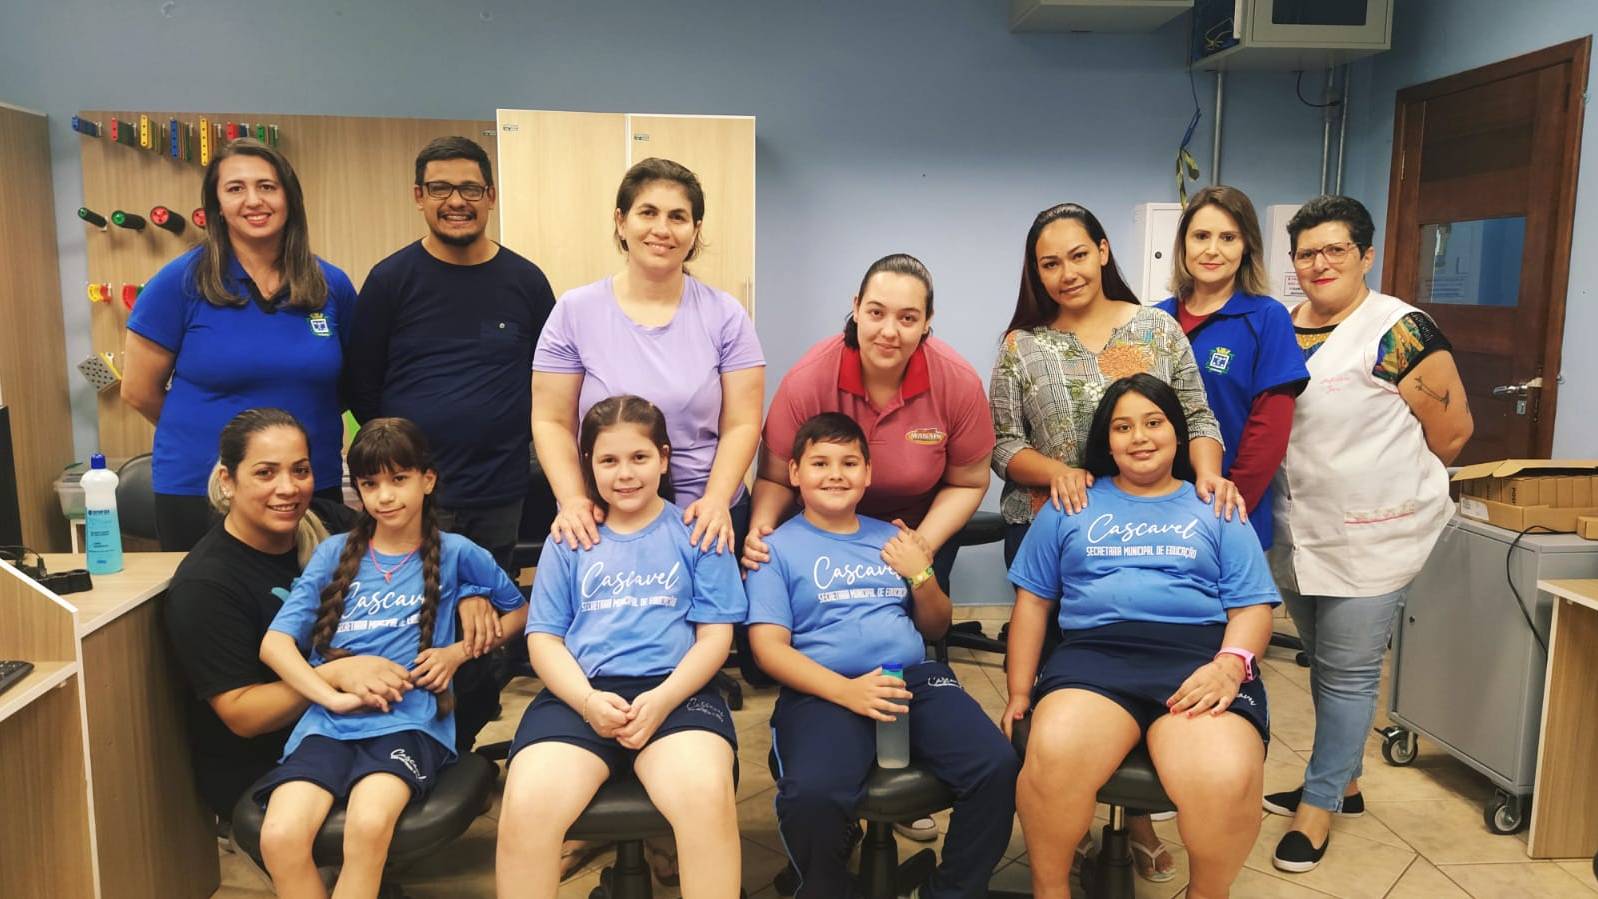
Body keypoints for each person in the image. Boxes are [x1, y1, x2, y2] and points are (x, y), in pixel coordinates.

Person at [989, 202, 1241, 878]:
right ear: (1035, 272)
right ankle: (1060, 829)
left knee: (1154, 682)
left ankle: (1137, 820)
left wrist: (1211, 480)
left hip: (1155, 531)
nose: (1066, 272)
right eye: (1049, 263)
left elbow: (1196, 415)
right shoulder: (1023, 345)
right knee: (1075, 696)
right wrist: (1061, 473)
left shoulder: (1157, 328)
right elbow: (1004, 444)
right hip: (1055, 529)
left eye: (1077, 254)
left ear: (1103, 250)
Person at [1003, 374, 1278, 899]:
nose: (1140, 437)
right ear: (1107, 441)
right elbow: (1033, 603)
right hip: (1094, 660)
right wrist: (1019, 692)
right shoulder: (1071, 503)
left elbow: (1251, 608)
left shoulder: (1215, 504)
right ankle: (1050, 890)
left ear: (1177, 432)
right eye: (1123, 426)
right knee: (1054, 752)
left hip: (1199, 658)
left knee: (1225, 774)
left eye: (1153, 422)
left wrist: (1230, 665)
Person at [1264, 195, 1473, 873]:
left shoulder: (1399, 329)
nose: (1319, 264)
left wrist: (1383, 487)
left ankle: (1319, 805)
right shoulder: (1280, 323)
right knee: (1325, 663)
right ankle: (1344, 780)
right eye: (1306, 253)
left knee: (1350, 674)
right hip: (1299, 528)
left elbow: (1453, 433)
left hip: (1375, 535)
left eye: (1335, 250)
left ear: (1365, 254)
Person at [746, 413, 1018, 899]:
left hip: (913, 679)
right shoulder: (774, 549)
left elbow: (935, 626)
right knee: (813, 795)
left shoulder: (894, 539)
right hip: (824, 688)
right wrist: (848, 692)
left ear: (868, 474)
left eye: (850, 462)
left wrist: (922, 574)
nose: (835, 473)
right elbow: (768, 650)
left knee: (995, 765)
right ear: (793, 473)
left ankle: (950, 890)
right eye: (820, 463)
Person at [346, 135, 557, 753]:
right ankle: (408, 748)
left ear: (490, 196)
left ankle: (457, 752)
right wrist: (396, 469)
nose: (456, 200)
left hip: (497, 490)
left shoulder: (525, 281)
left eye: (470, 188)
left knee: (483, 631)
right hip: (410, 498)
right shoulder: (391, 280)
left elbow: (549, 381)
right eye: (440, 188)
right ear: (419, 197)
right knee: (409, 626)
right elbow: (363, 383)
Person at [255, 418, 526, 899]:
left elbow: (522, 612)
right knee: (279, 837)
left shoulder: (459, 552)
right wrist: (329, 698)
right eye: (369, 484)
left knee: (368, 826)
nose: (384, 497)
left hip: (410, 724)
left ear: (427, 479)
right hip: (327, 727)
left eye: (398, 480)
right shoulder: (334, 553)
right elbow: (274, 644)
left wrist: (457, 653)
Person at [496, 396, 746, 899]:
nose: (625, 474)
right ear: (587, 464)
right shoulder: (570, 537)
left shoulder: (699, 532)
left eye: (639, 458)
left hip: (677, 692)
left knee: (703, 795)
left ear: (665, 459)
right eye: (608, 460)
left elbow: (715, 637)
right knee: (527, 803)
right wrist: (587, 702)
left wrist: (664, 699)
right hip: (580, 693)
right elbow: (543, 637)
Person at [166, 408, 430, 823]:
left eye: (301, 470)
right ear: (227, 481)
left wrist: (470, 593)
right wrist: (329, 676)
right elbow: (243, 715)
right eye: (265, 473)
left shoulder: (334, 524)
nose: (287, 489)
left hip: (361, 725)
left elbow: (425, 555)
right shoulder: (206, 585)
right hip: (271, 759)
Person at [123, 138, 358, 552]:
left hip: (308, 487)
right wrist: (221, 439)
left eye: (267, 186)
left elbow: (349, 382)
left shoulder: (330, 285)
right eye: (235, 189)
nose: (254, 200)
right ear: (216, 205)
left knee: (318, 611)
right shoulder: (179, 283)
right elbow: (138, 390)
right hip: (202, 488)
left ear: (289, 197)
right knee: (212, 611)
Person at [532, 157, 764, 557]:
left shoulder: (726, 315)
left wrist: (716, 501)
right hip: (603, 517)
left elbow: (743, 423)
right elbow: (551, 420)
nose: (662, 229)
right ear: (621, 222)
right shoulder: (575, 311)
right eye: (648, 213)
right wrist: (573, 501)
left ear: (695, 231)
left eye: (678, 216)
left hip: (701, 518)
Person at [743, 253, 992, 597]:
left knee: (907, 618)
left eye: (907, 318)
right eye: (876, 313)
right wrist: (762, 530)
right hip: (822, 526)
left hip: (912, 528)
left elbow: (968, 483)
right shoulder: (809, 379)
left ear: (927, 321)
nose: (889, 332)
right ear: (857, 308)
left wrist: (921, 544)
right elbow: (775, 476)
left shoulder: (958, 382)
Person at [1154, 186, 1309, 547]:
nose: (1212, 249)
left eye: (1228, 237)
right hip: (1157, 509)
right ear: (1184, 245)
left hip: (1230, 508)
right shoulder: (1156, 320)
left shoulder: (1266, 318)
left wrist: (1229, 502)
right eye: (1201, 236)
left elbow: (1269, 430)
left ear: (1246, 247)